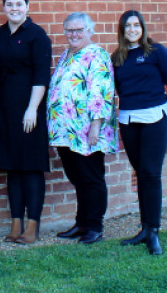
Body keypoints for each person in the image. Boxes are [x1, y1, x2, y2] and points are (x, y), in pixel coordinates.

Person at [113, 10, 167, 256]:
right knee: (141, 173)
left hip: (155, 118)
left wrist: (166, 116)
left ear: (142, 27)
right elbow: (119, 89)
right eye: (127, 26)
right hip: (129, 120)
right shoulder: (118, 57)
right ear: (122, 30)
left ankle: (153, 232)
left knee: (151, 174)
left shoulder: (157, 52)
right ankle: (144, 228)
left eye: (136, 25)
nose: (132, 29)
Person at [47, 12, 118, 245]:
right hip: (66, 131)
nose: (73, 34)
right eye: (69, 30)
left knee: (91, 177)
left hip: (86, 131)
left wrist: (95, 126)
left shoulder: (97, 55)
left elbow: (101, 92)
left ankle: (95, 226)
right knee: (77, 177)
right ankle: (81, 223)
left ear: (90, 31)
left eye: (78, 30)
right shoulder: (67, 55)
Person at [0, 0, 51, 244]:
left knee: (31, 167)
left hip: (29, 109)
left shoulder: (37, 35)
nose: (14, 8)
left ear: (27, 6)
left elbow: (41, 75)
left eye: (18, 4)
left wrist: (32, 109)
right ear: (4, 8)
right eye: (9, 4)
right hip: (4, 108)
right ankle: (16, 224)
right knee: (12, 167)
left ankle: (32, 226)